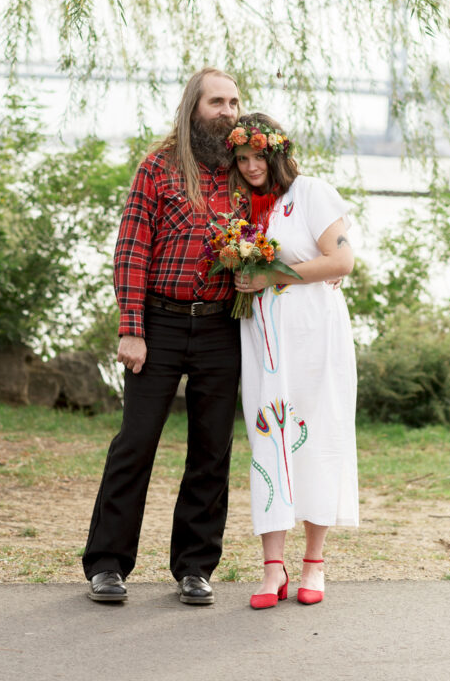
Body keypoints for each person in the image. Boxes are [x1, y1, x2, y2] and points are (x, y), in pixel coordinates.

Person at [82, 68, 242, 606]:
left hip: (223, 326)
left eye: (235, 102)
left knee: (211, 449)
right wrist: (131, 329)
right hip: (161, 322)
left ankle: (195, 566)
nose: (228, 111)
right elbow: (131, 250)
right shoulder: (158, 166)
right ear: (192, 108)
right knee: (136, 442)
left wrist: (322, 262)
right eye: (217, 101)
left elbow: (287, 224)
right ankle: (107, 565)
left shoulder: (245, 172)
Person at [227, 112, 358, 609]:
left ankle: (314, 563)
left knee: (316, 438)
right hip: (262, 339)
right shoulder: (245, 208)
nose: (251, 165)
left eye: (258, 155)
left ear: (277, 152)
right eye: (242, 158)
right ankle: (271, 567)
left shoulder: (311, 193)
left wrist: (272, 277)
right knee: (268, 439)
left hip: (314, 337)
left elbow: (341, 261)